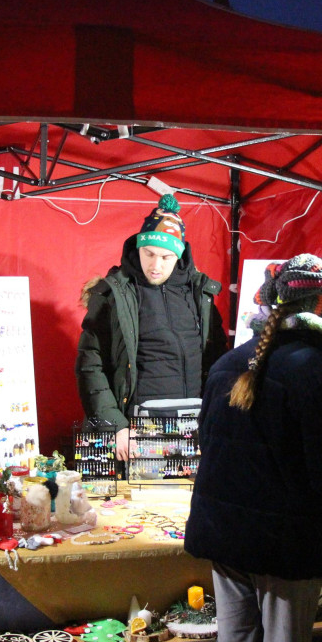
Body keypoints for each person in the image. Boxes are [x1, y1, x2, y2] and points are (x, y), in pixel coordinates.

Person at [185, 254, 322, 642]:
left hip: (224, 535)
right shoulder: (321, 375)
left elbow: (205, 443)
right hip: (287, 545)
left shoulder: (227, 364)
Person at [75, 193, 226, 462]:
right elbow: (90, 365)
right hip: (132, 434)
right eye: (149, 253)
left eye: (166, 257)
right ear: (138, 248)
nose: (156, 265)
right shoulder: (113, 294)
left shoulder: (200, 294)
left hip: (191, 433)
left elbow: (217, 363)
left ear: (179, 254)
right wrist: (115, 426)